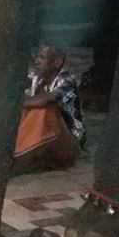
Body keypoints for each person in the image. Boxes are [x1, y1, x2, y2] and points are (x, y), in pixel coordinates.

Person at [13, 45, 85, 175]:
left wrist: (22, 102)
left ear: (57, 62)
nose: (37, 61)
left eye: (42, 57)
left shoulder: (67, 79)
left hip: (68, 143)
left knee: (46, 109)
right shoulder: (36, 78)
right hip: (48, 143)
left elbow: (47, 99)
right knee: (25, 110)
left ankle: (17, 154)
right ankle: (17, 152)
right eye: (36, 57)